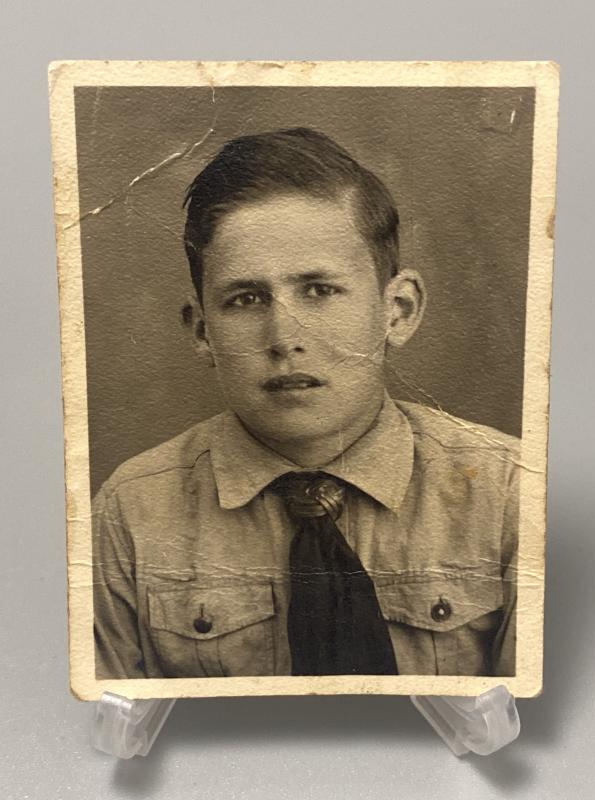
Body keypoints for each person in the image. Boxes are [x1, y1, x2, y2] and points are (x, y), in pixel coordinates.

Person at [92, 127, 519, 680]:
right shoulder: (130, 514)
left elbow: (542, 734)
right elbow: (103, 741)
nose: (283, 336)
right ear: (203, 331)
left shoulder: (512, 494)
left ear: (399, 310)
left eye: (318, 290)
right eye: (246, 299)